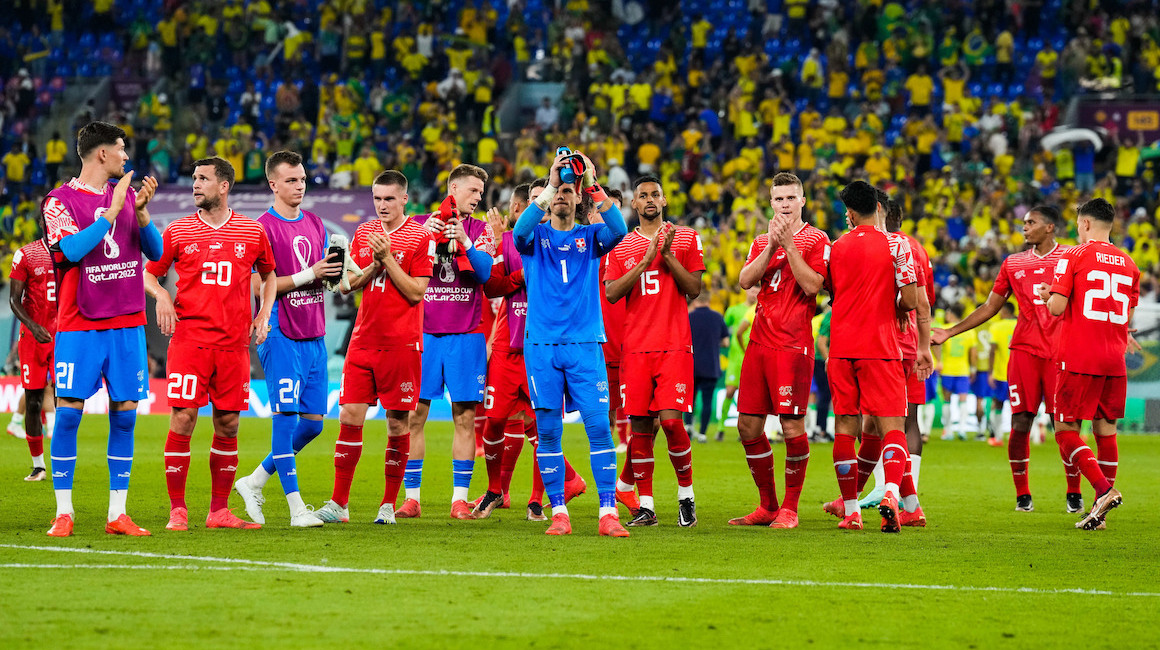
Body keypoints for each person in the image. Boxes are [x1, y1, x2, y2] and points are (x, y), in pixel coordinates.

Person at [43, 121, 164, 537]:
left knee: (126, 416)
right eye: (121, 148)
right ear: (102, 153)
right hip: (81, 322)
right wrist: (110, 213)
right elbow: (70, 251)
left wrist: (141, 213)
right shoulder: (58, 202)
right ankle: (64, 512)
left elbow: (155, 253)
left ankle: (117, 514)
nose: (126, 156)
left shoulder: (128, 194)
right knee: (68, 416)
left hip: (127, 321)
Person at [144, 157, 276, 531]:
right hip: (190, 342)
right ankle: (178, 510)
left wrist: (264, 312)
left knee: (229, 424)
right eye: (194, 178)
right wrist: (162, 296)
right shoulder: (178, 230)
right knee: (183, 418)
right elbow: (150, 275)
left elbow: (269, 275)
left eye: (203, 178)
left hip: (234, 346)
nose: (195, 184)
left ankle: (219, 511)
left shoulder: (252, 231)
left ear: (224, 185)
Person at [513, 150, 629, 536]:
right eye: (557, 192)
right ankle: (559, 512)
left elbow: (619, 230)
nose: (562, 196)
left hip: (584, 345)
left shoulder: (591, 237)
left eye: (568, 190)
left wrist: (592, 183)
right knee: (548, 432)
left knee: (599, 428)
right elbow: (518, 232)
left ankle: (607, 513)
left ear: (578, 197)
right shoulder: (534, 238)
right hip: (542, 347)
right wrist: (550, 185)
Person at [932, 206, 1072, 512]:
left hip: (1062, 352)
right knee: (1021, 421)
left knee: (1064, 425)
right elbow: (989, 306)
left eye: (1031, 222)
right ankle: (1023, 494)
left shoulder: (1072, 257)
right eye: (1023, 222)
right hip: (1024, 351)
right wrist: (950, 332)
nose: (1024, 227)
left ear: (1050, 227)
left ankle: (1074, 492)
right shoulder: (1013, 263)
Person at [315, 171, 435, 525]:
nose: (382, 205)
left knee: (397, 424)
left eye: (389, 199)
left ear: (404, 200)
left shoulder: (421, 236)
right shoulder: (364, 232)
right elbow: (346, 285)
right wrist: (374, 264)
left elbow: (416, 292)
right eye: (377, 199)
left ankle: (387, 504)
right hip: (363, 341)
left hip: (402, 344)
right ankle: (339, 504)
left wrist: (389, 259)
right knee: (349, 416)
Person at [234, 150, 341, 528]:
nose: (299, 186)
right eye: (291, 180)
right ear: (273, 184)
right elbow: (257, 286)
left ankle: (253, 481)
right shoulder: (260, 228)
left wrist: (338, 274)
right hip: (280, 332)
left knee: (312, 424)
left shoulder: (315, 223)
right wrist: (311, 273)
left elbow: (323, 277)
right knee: (285, 420)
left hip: (314, 333)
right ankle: (297, 510)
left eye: (303, 179)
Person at [473, 181, 585, 519]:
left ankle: (537, 500)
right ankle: (496, 490)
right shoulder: (508, 242)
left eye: (545, 199)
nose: (542, 204)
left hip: (544, 349)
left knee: (543, 427)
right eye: (536, 199)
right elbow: (492, 286)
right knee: (494, 422)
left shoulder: (563, 243)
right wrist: (517, 274)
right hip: (508, 349)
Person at [728, 172, 830, 529]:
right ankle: (768, 505)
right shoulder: (761, 241)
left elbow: (813, 285)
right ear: (771, 203)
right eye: (778, 199)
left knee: (790, 425)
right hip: (759, 342)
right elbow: (745, 281)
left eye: (790, 198)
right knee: (747, 425)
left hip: (792, 342)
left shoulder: (817, 238)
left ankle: (790, 508)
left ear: (802, 201)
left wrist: (789, 246)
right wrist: (772, 245)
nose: (784, 205)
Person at [605, 174, 705, 528]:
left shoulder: (685, 237)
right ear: (634, 203)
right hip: (635, 348)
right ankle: (646, 506)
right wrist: (644, 263)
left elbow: (694, 287)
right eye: (643, 195)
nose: (649, 199)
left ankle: (686, 497)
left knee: (673, 423)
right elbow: (612, 293)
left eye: (655, 194)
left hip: (674, 345)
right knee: (641, 428)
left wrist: (667, 257)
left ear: (664, 201)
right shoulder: (620, 246)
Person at [1036, 197, 1138, 530]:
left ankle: (1105, 491)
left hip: (1079, 356)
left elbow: (1056, 308)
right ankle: (1100, 512)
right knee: (1106, 432)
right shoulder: (1129, 263)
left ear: (1085, 223)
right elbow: (1126, 315)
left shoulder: (1074, 254)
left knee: (1065, 432)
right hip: (1115, 359)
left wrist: (1047, 295)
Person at [405, 164, 497, 520]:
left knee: (465, 418)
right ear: (453, 188)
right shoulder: (419, 224)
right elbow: (399, 263)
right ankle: (412, 499)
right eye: (473, 190)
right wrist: (422, 237)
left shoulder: (480, 230)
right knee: (414, 416)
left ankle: (459, 499)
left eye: (481, 192)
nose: (478, 197)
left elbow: (485, 274)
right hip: (424, 334)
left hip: (466, 335)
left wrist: (466, 243)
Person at [826, 181, 917, 532]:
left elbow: (831, 292)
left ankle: (851, 512)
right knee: (892, 427)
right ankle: (891, 493)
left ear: (849, 213)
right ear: (878, 208)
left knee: (845, 428)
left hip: (842, 348)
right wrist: (894, 305)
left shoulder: (835, 248)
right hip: (881, 347)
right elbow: (910, 300)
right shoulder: (897, 245)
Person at [8, 223, 58, 481]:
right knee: (33, 400)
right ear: (42, 222)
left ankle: (62, 462)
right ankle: (39, 466)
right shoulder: (26, 254)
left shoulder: (72, 253)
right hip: (33, 337)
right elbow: (14, 300)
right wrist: (33, 326)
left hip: (64, 337)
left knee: (66, 401)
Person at [687, 293, 729, 442]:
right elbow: (726, 342)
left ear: (695, 301)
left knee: (689, 400)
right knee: (707, 401)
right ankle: (703, 434)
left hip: (691, 365)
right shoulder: (717, 317)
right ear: (709, 301)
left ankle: (688, 427)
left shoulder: (688, 317)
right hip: (711, 366)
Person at [719, 288, 757, 439]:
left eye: (757, 291)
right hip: (736, 358)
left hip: (754, 359)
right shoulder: (734, 310)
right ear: (746, 292)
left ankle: (746, 430)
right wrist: (723, 340)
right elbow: (722, 329)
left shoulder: (761, 310)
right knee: (730, 391)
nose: (754, 294)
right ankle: (721, 427)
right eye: (752, 291)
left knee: (750, 397)